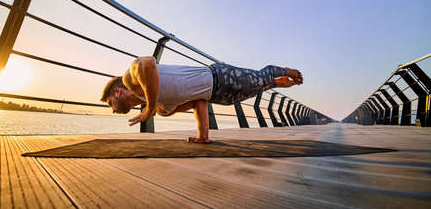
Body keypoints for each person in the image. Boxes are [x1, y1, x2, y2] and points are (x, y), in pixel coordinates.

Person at [101, 56, 303, 143]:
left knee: (261, 76)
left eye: (110, 103)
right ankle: (277, 83)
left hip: (221, 75)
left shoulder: (130, 79)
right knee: (259, 87)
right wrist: (202, 136)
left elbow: (148, 64)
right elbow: (197, 102)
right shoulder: (162, 109)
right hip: (220, 96)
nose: (113, 109)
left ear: (118, 92)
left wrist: (150, 106)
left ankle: (288, 71)